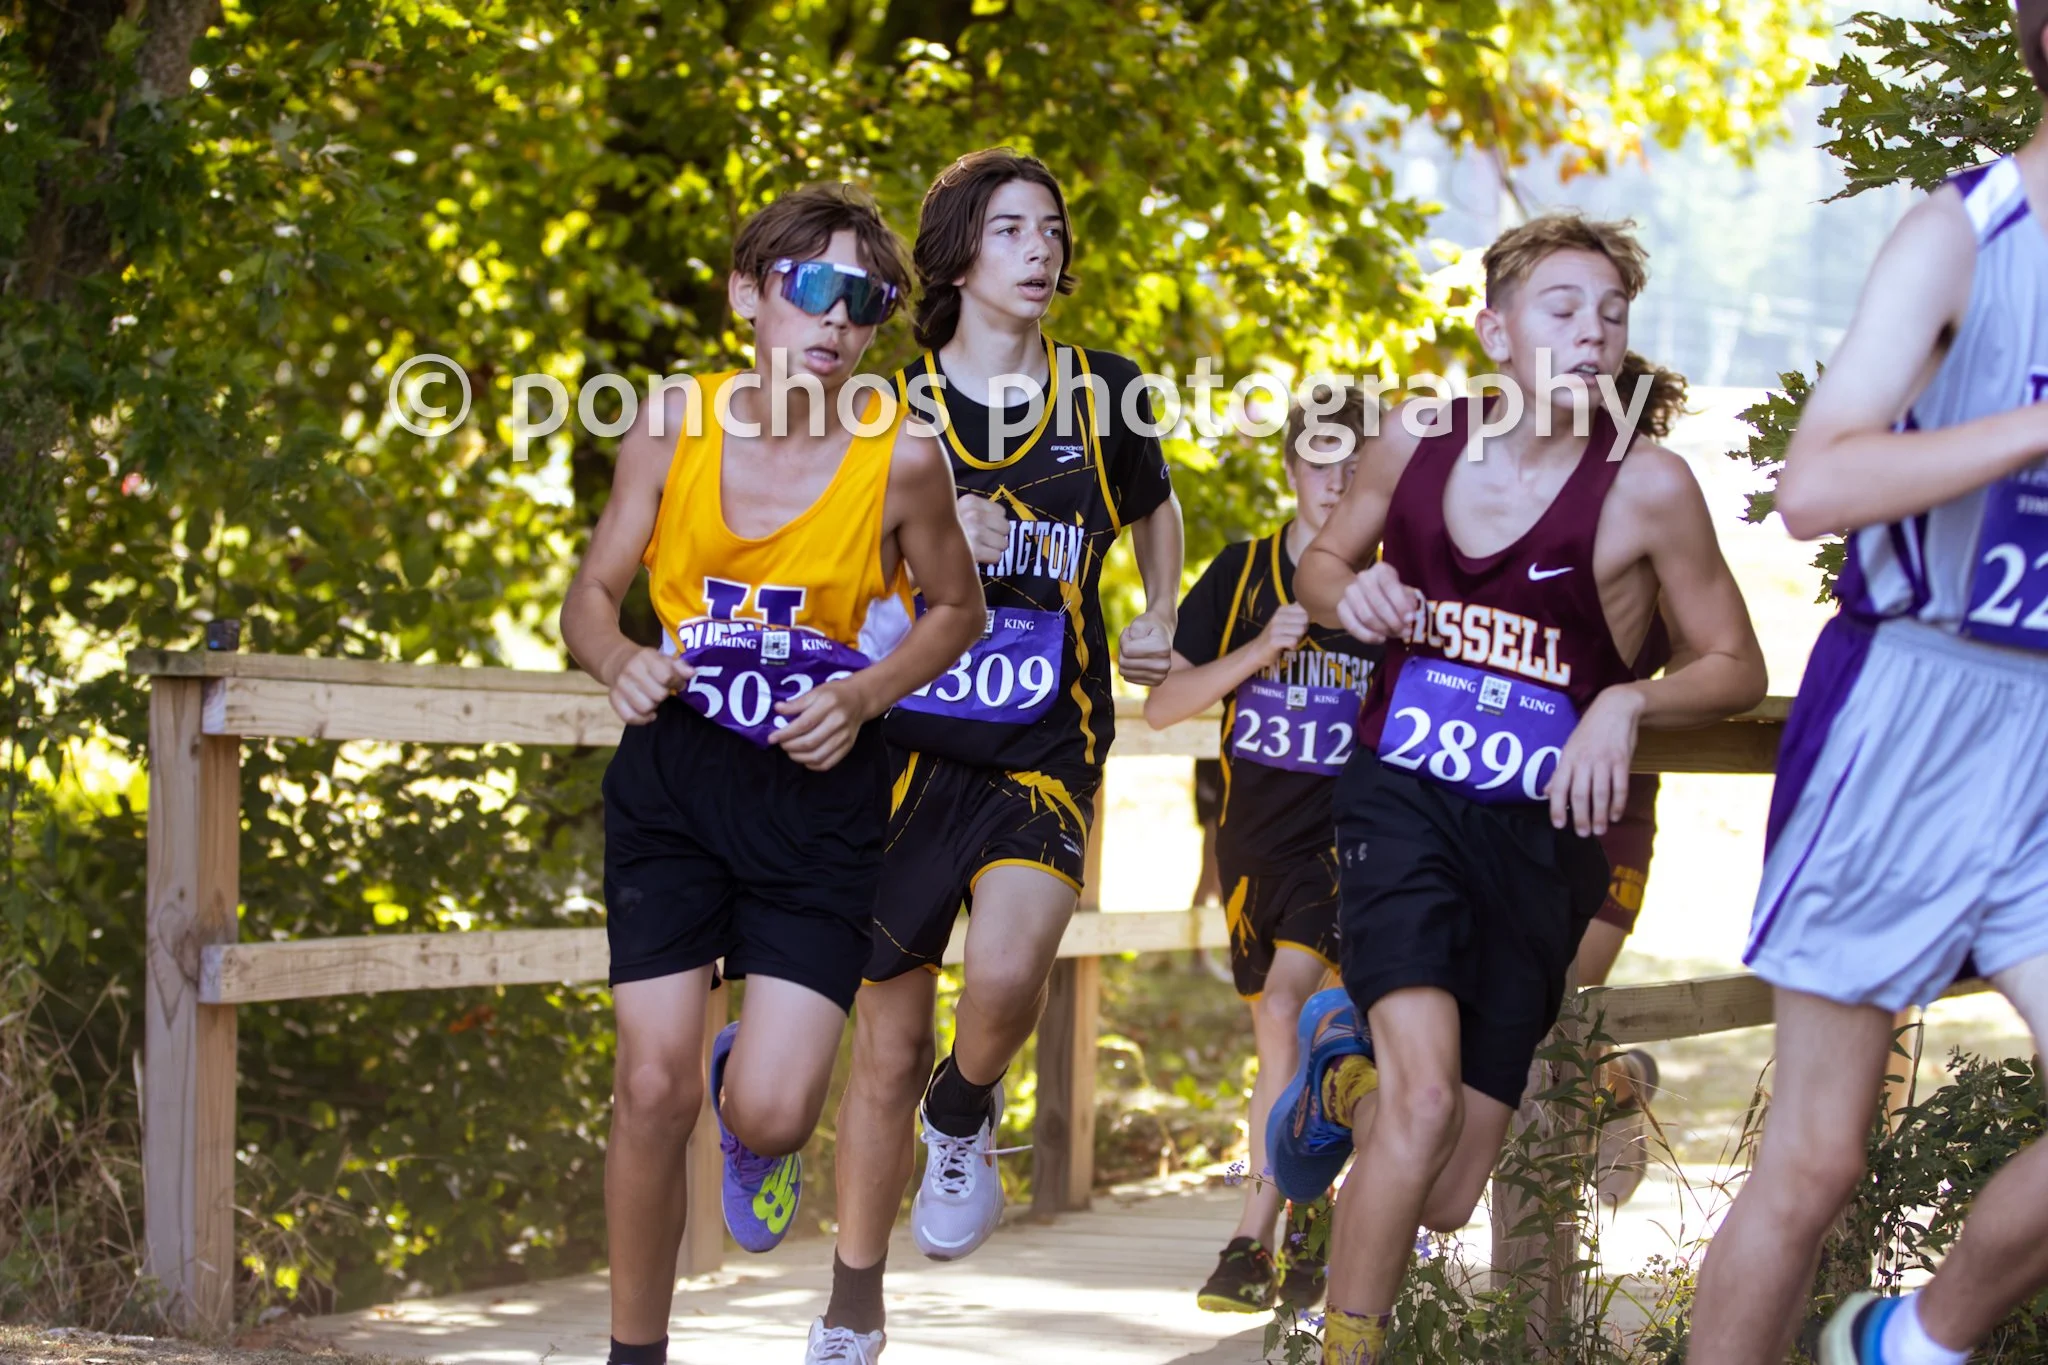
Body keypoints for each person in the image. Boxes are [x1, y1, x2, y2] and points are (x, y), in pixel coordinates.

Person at [1269, 211, 1768, 1365]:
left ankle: (1340, 1079)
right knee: (1424, 1105)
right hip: (1401, 802)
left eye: (1611, 314)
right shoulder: (1413, 444)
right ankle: (1343, 1347)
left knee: (1444, 1189)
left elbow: (1733, 663)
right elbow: (1322, 561)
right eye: (1562, 307)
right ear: (1495, 332)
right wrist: (1348, 595)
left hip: (1541, 842)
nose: (1591, 332)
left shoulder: (1648, 488)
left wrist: (1625, 701)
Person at [559, 183, 985, 1365]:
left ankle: (748, 1106)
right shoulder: (672, 423)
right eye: (814, 287)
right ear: (748, 296)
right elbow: (590, 595)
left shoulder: (901, 459)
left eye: (869, 300)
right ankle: (634, 1352)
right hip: (677, 781)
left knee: (775, 1111)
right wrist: (618, 660)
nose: (839, 318)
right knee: (651, 1088)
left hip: (817, 796)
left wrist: (862, 695)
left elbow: (956, 611)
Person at [1690, 7, 2048, 1361]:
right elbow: (1815, 483)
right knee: (1816, 1159)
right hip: (1912, 704)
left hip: (2042, 730)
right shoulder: (1962, 234)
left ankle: (1909, 1342)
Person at [811, 147, 1183, 1364]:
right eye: (1012, 229)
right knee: (885, 1049)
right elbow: (829, 578)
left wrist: (1161, 610)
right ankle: (852, 1305)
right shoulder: (890, 410)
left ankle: (963, 1110)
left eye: (1052, 229)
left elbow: (1153, 504)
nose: (1040, 249)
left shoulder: (1104, 391)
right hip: (903, 752)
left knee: (1013, 967)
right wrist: (925, 542)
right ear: (959, 254)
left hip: (1042, 744)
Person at [1143, 385, 1378, 1313]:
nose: (1339, 481)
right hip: (1255, 848)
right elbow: (1164, 706)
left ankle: (1251, 1238)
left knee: (1293, 1005)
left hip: (1353, 843)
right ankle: (1307, 1220)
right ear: (1289, 467)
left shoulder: (1387, 588)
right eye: (1323, 461)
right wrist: (1255, 652)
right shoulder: (1242, 573)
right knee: (1285, 1036)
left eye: (1359, 467)